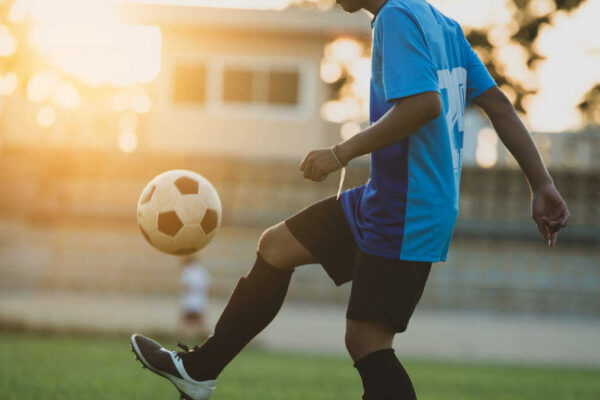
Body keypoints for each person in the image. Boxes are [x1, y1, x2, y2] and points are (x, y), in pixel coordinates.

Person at [129, 1, 570, 399]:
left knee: (366, 341)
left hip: (407, 209)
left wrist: (340, 153)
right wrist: (542, 184)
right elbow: (499, 106)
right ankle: (199, 370)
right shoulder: (442, 25)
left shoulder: (397, 17)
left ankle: (201, 369)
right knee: (276, 246)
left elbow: (423, 106)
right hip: (386, 198)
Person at [177, 256, 211, 343]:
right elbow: (208, 285)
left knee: (183, 323)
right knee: (202, 324)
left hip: (189, 299)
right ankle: (210, 340)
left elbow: (185, 285)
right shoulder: (201, 270)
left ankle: (180, 341)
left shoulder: (187, 270)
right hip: (200, 300)